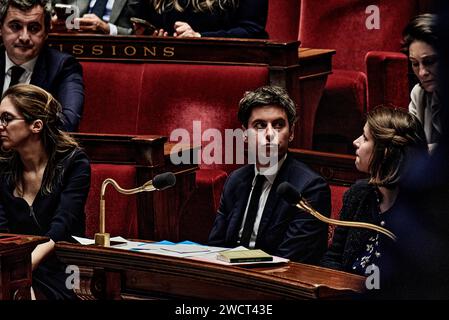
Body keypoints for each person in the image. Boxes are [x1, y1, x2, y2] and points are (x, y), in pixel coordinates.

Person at [208, 86, 331, 264]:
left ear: (292, 133)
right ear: (245, 135)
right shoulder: (235, 180)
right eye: (260, 126)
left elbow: (290, 259)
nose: (270, 134)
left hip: (278, 283)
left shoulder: (309, 188)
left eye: (278, 125)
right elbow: (216, 246)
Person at [0, 84, 91, 299]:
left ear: (36, 125)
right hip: (11, 262)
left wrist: (22, 269)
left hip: (64, 267)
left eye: (7, 118)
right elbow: (2, 231)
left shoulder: (74, 163)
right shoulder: (2, 166)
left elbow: (62, 227)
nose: (0, 126)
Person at [320, 106, 428, 277]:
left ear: (385, 152)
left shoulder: (423, 209)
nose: (355, 142)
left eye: (364, 137)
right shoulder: (358, 194)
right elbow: (333, 257)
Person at [0, 0, 84, 132]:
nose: (24, 37)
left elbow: (68, 124)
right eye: (16, 26)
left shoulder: (63, 67)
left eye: (34, 28)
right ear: (1, 29)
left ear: (46, 32)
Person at [402, 13, 441, 152]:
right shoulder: (418, 94)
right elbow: (411, 146)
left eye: (429, 62)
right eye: (414, 63)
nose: (422, 72)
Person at [128, 0, 268, 38]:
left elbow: (252, 30)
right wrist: (147, 36)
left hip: (219, 66)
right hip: (164, 65)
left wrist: (199, 37)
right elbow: (143, 19)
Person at [53, 0, 134, 35]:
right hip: (73, 40)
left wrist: (107, 29)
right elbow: (51, 11)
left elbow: (142, 31)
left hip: (115, 47)